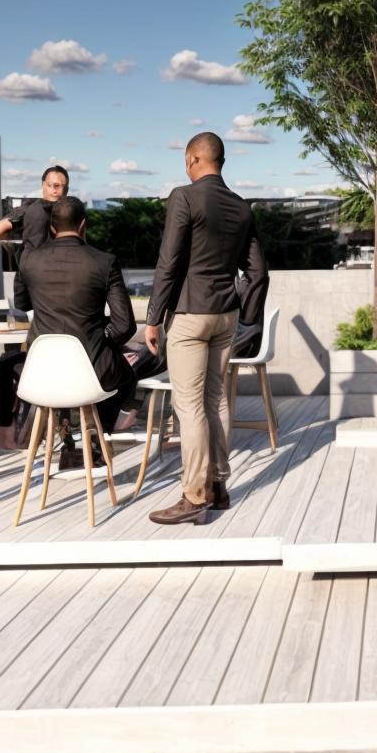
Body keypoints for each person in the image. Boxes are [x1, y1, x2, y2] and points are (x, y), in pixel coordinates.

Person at [143, 132, 266, 526]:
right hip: (226, 315)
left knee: (190, 406)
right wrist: (248, 317)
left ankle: (194, 496)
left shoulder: (184, 196)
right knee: (216, 400)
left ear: (193, 158)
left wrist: (153, 317)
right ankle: (218, 486)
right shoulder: (241, 207)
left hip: (190, 314)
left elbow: (169, 262)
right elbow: (259, 272)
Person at [16, 196, 140, 442]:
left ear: (52, 228)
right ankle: (99, 434)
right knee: (127, 373)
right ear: (83, 226)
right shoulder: (104, 262)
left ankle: (70, 436)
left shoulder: (28, 259)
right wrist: (102, 335)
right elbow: (125, 326)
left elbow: (22, 305)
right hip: (92, 370)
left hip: (41, 372)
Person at [0, 165, 70, 450]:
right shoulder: (69, 212)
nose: (55, 190)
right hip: (56, 282)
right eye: (53, 184)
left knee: (24, 346)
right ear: (45, 185)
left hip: (29, 277)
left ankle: (17, 427)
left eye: (58, 185)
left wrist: (17, 251)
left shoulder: (27, 209)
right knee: (42, 342)